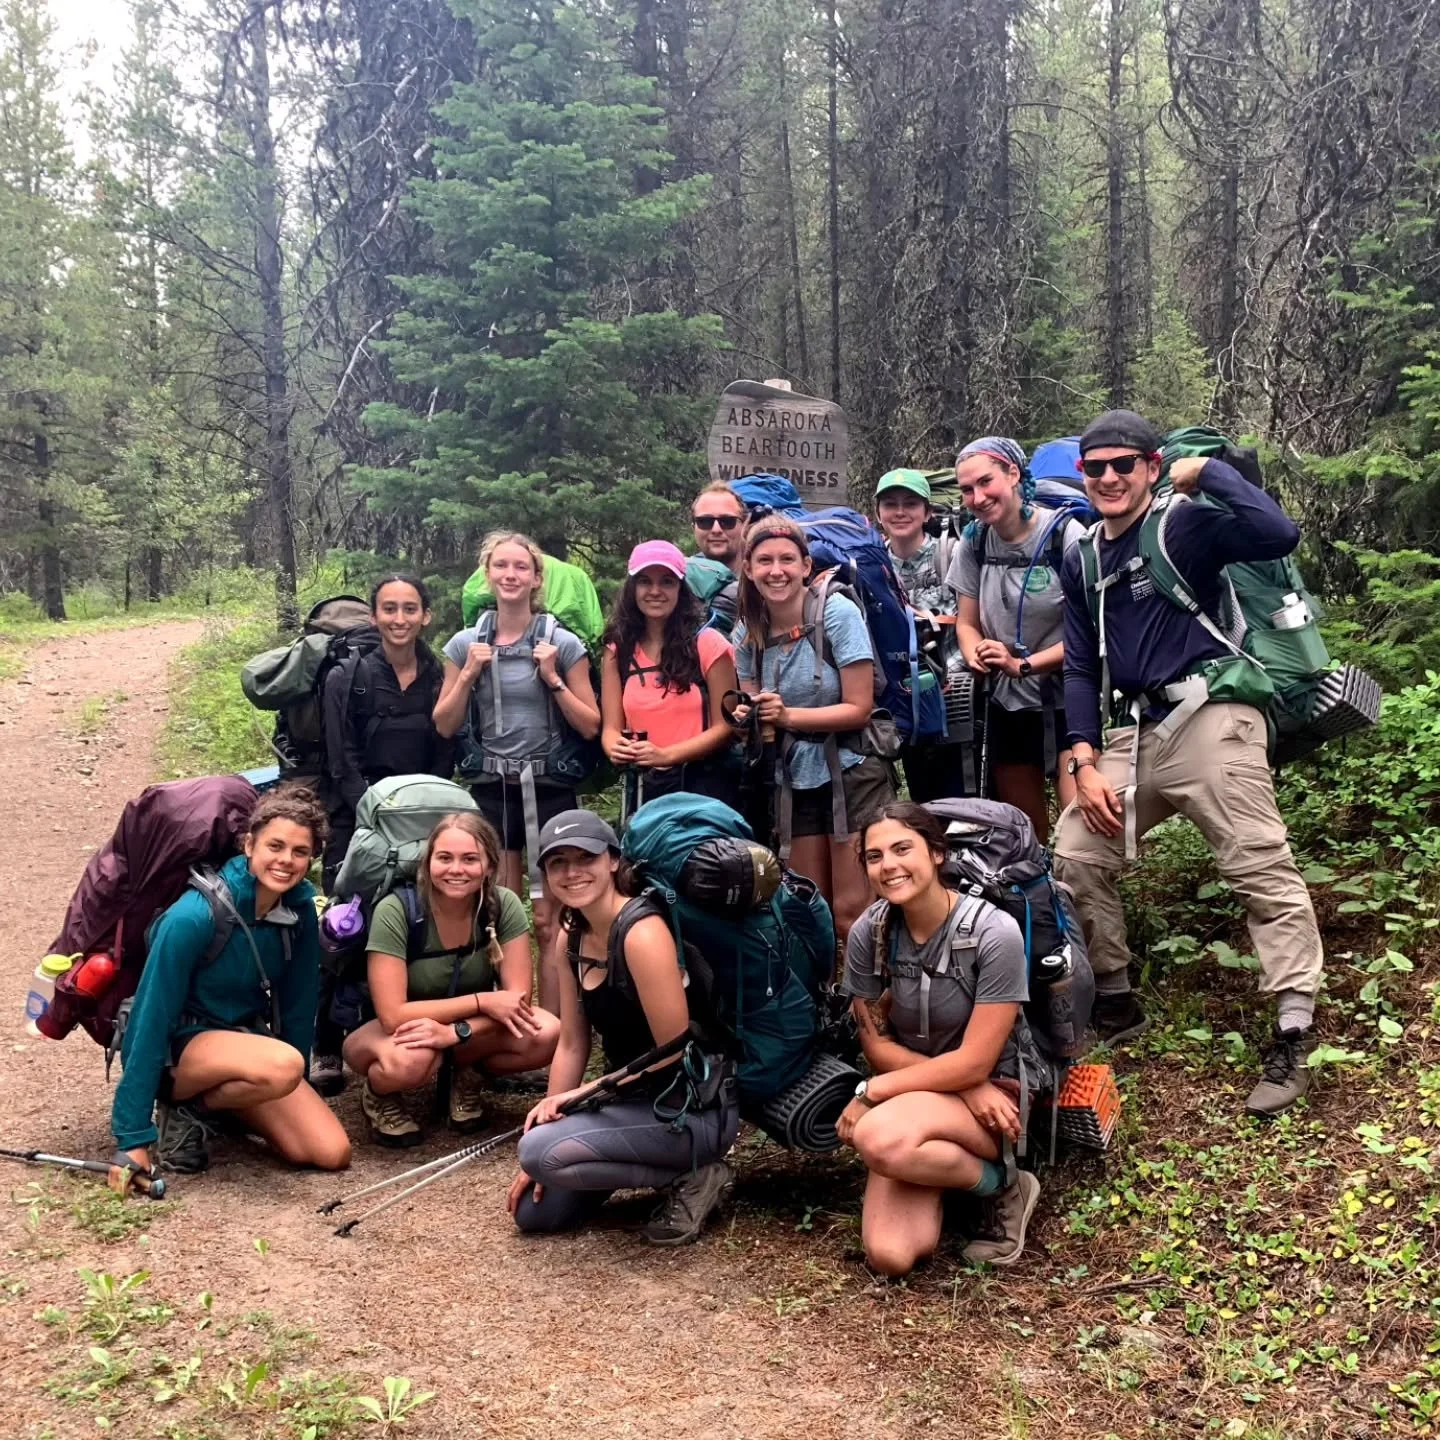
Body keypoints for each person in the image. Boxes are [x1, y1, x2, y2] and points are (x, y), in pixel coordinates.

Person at [1053, 409, 1324, 1116]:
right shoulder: (1082, 554)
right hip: (1132, 733)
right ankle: (1113, 996)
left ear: (1150, 465)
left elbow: (1277, 533)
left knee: (1257, 863)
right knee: (1077, 852)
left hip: (1212, 714)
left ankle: (1294, 1028)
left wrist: (1209, 472)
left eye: (1123, 464)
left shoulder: (1182, 525)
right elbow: (1080, 666)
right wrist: (1080, 756)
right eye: (1095, 466)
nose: (1108, 477)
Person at [507, 811, 739, 1244]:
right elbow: (572, 1045)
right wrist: (548, 1117)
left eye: (585, 857)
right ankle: (650, 1168)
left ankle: (695, 1175)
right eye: (558, 862)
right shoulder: (570, 936)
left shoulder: (642, 932)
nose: (572, 872)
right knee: (536, 1212)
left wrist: (583, 1098)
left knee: (542, 1155)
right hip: (632, 1104)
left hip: (693, 1106)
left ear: (613, 861)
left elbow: (673, 1051)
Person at [837, 802, 1046, 1275]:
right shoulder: (870, 933)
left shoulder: (994, 932)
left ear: (936, 853)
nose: (888, 865)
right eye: (874, 856)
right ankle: (970, 1179)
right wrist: (962, 1081)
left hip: (999, 1096)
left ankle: (1007, 1184)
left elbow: (977, 1061)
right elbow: (876, 1044)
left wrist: (873, 1092)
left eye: (902, 848)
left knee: (878, 1137)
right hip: (947, 1092)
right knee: (891, 1255)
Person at [112, 786, 352, 1177]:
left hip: (247, 1048)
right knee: (283, 1063)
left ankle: (210, 1107)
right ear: (248, 845)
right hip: (180, 1051)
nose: (286, 861)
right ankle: (180, 1111)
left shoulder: (299, 909)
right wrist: (132, 1139)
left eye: (300, 852)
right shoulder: (193, 917)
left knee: (330, 1152)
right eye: (275, 846)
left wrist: (290, 1089)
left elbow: (299, 1002)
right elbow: (150, 1018)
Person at [434, 532, 601, 1004]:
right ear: (488, 575)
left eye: (520, 568)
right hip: (492, 788)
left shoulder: (562, 644)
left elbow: (590, 725)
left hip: (549, 788)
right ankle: (511, 1012)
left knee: (552, 918)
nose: (511, 575)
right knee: (500, 915)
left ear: (535, 578)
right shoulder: (465, 644)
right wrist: (468, 674)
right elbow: (444, 723)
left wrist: (553, 680)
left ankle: (554, 1021)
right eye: (501, 567)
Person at [341, 813, 560, 1146]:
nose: (456, 869)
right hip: (393, 1030)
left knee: (547, 1031)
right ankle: (378, 1095)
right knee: (410, 1061)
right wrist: (481, 1001)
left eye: (470, 859)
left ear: (489, 865)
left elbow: (518, 1001)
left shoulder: (502, 904)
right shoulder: (397, 909)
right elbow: (392, 1015)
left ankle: (468, 1076)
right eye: (444, 858)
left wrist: (455, 1032)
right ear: (428, 863)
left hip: (462, 1030)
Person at [314, 573, 452, 1097]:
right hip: (357, 819)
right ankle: (326, 1042)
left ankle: (407, 1036)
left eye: (410, 609)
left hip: (422, 818)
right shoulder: (347, 676)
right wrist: (373, 815)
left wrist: (427, 819)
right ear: (375, 616)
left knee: (417, 924)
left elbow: (444, 749)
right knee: (344, 926)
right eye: (389, 609)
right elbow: (339, 760)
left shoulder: (438, 673)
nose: (400, 619)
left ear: (426, 616)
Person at [731, 515, 896, 946]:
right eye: (764, 560)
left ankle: (873, 1005)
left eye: (787, 559)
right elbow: (749, 702)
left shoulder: (837, 613)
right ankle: (825, 1004)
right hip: (793, 775)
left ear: (806, 565)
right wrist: (747, 716)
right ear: (748, 568)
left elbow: (859, 708)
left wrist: (787, 717)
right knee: (811, 906)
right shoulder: (748, 629)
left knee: (853, 910)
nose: (776, 570)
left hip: (853, 766)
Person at [948, 438, 1082, 841]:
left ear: (1013, 474)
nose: (978, 497)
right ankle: (1042, 900)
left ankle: (1084, 896)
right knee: (1023, 833)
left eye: (986, 482)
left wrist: (1023, 665)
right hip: (1007, 702)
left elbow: (1088, 634)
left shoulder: (1064, 536)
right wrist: (977, 652)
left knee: (1081, 828)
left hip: (1069, 699)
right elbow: (966, 621)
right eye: (967, 490)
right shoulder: (974, 542)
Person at [600, 540, 740, 812]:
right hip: (643, 788)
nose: (655, 591)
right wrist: (614, 747)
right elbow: (610, 728)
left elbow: (726, 727)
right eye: (644, 581)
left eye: (666, 582)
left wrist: (665, 755)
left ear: (681, 588)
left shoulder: (708, 644)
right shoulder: (618, 650)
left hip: (705, 789)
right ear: (632, 588)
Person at [873, 467, 969, 804]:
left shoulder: (953, 554)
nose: (900, 512)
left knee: (961, 789)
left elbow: (972, 619)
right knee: (921, 791)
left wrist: (950, 674)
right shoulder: (874, 564)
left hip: (956, 691)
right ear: (879, 513)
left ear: (927, 512)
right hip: (903, 699)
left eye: (910, 504)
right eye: (891, 504)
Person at [691, 481, 747, 573]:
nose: (716, 530)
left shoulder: (763, 579)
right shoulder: (680, 579)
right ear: (694, 528)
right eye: (705, 521)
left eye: (727, 521)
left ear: (744, 526)